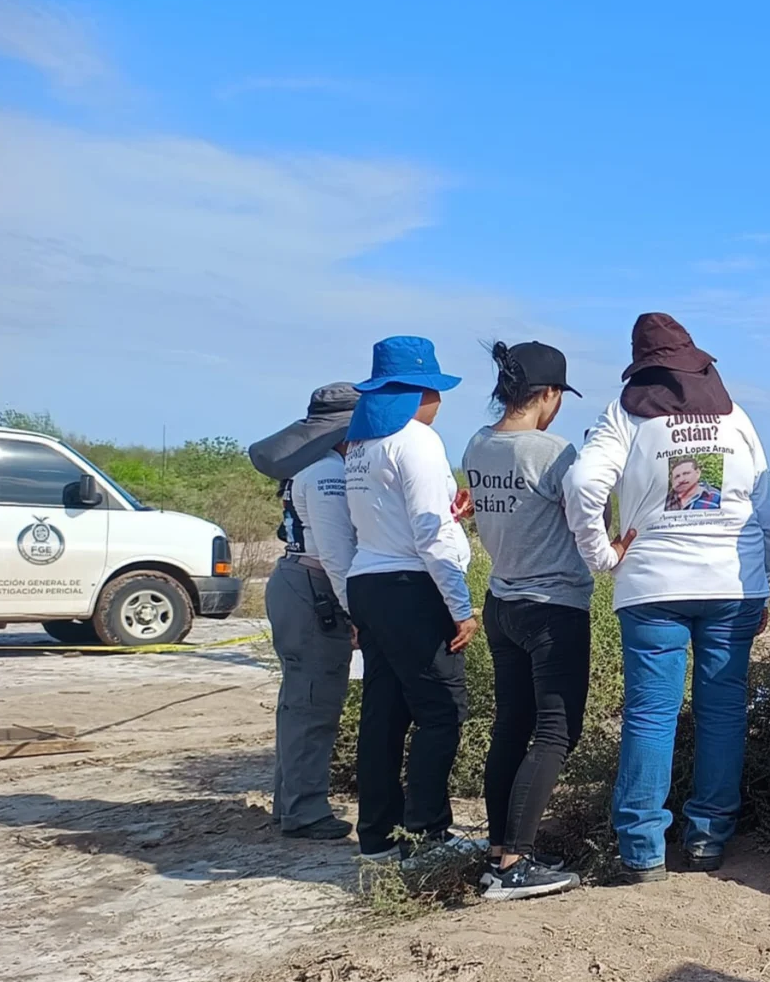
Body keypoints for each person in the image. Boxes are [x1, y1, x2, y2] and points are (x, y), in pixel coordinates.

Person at [566, 313, 770, 881]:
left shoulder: (624, 415)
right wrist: (764, 578)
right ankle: (708, 839)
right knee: (723, 712)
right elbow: (765, 509)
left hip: (652, 585)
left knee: (650, 714)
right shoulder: (735, 417)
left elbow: (582, 483)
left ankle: (642, 851)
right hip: (732, 583)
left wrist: (601, 555)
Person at [341, 337, 481, 868]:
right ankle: (427, 836)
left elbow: (386, 518)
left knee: (384, 712)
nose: (439, 401)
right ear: (420, 392)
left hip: (369, 583)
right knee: (441, 711)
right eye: (436, 390)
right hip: (412, 587)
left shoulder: (360, 444)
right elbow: (429, 532)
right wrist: (461, 607)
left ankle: (378, 836)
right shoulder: (417, 440)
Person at [460, 341, 591, 901]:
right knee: (557, 731)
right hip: (553, 606)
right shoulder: (554, 452)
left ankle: (498, 852)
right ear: (550, 394)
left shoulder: (478, 443)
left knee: (512, 726)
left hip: (503, 602)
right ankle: (515, 862)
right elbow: (586, 520)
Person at [248, 382, 361, 842]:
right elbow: (335, 553)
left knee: (298, 701)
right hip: (315, 589)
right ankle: (305, 811)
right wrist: (358, 612)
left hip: (295, 582)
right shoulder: (329, 472)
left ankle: (290, 803)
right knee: (314, 703)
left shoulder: (306, 468)